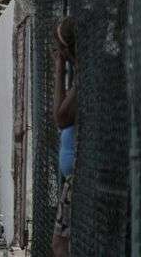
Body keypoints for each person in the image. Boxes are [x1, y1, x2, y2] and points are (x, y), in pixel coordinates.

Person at [52, 16, 77, 257]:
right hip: (72, 179)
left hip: (78, 180)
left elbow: (61, 118)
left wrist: (59, 71)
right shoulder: (80, 78)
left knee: (60, 246)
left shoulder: (85, 80)